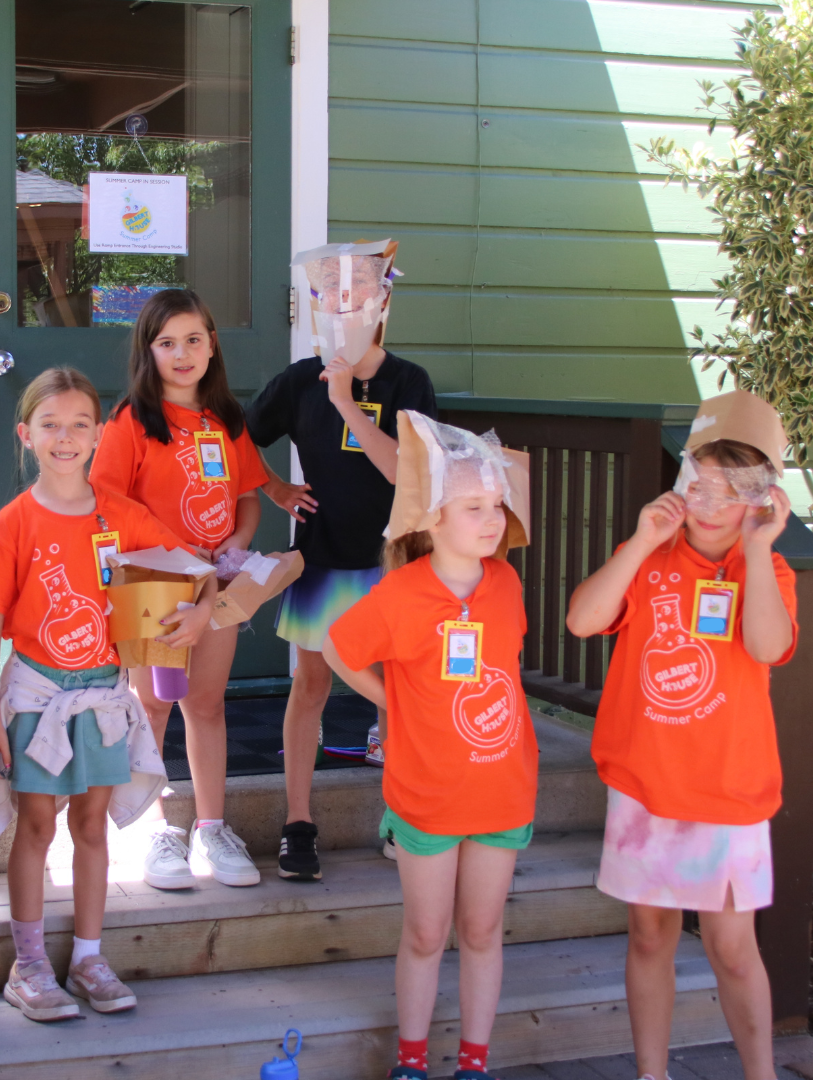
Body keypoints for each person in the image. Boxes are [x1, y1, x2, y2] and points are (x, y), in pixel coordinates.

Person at [0, 366, 217, 1021]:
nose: (66, 437)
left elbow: (196, 569)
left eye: (80, 424)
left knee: (91, 827)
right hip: (37, 698)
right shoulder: (14, 523)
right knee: (38, 825)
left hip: (103, 700)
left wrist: (202, 612)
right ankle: (29, 965)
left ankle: (88, 958)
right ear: (26, 434)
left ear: (100, 433)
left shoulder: (121, 516)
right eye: (51, 424)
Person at [566, 389, 798, 1080]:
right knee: (648, 934)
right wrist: (640, 541)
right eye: (697, 480)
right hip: (646, 784)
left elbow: (765, 645)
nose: (704, 500)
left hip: (727, 790)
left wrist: (757, 551)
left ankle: (760, 1073)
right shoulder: (649, 557)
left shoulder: (769, 568)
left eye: (727, 489)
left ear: (758, 497)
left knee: (732, 947)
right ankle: (652, 1073)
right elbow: (582, 620)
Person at [324, 411, 536, 1080]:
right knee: (424, 933)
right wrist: (393, 701)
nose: (492, 519)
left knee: (481, 932)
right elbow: (339, 647)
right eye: (473, 507)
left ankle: (474, 1063)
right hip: (425, 797)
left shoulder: (507, 585)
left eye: (496, 505)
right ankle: (411, 1063)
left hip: (501, 792)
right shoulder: (402, 593)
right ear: (433, 517)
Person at [246, 240, 437, 881]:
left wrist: (348, 402)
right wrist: (274, 488)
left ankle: (400, 817)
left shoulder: (408, 382)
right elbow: (237, 442)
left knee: (393, 692)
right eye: (330, 293)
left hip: (393, 562)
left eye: (358, 292)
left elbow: (411, 471)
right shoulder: (300, 379)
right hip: (322, 558)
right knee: (313, 685)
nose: (344, 304)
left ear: (382, 301)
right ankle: (298, 822)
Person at [91, 289, 268, 890]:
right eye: (167, 342)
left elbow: (246, 494)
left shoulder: (227, 419)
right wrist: (169, 547)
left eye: (194, 339)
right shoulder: (131, 421)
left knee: (207, 703)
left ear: (212, 345)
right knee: (154, 704)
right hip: (153, 586)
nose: (183, 353)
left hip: (216, 584)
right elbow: (106, 499)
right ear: (149, 351)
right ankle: (158, 832)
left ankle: (212, 826)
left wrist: (237, 546)